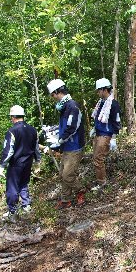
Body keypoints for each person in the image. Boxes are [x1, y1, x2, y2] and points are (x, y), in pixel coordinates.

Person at [47, 79, 86, 209]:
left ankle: (81, 190)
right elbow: (64, 126)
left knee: (67, 175)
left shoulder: (72, 106)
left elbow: (72, 127)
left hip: (75, 145)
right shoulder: (64, 107)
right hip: (67, 145)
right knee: (62, 174)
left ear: (58, 92)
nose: (52, 98)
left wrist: (59, 140)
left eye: (52, 94)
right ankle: (66, 200)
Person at [0, 105, 41, 220]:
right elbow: (36, 148)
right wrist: (38, 161)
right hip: (28, 162)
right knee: (24, 183)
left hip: (16, 164)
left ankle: (12, 212)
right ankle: (26, 206)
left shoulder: (12, 131)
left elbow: (8, 151)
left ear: (13, 117)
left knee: (12, 187)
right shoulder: (33, 130)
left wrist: (2, 165)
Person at [89, 78, 121, 191]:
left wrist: (113, 138)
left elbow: (116, 121)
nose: (98, 93)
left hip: (106, 134)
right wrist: (94, 128)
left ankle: (102, 183)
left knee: (98, 159)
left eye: (99, 90)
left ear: (104, 90)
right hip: (98, 133)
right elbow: (99, 118)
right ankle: (100, 179)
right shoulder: (101, 103)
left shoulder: (113, 104)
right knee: (96, 158)